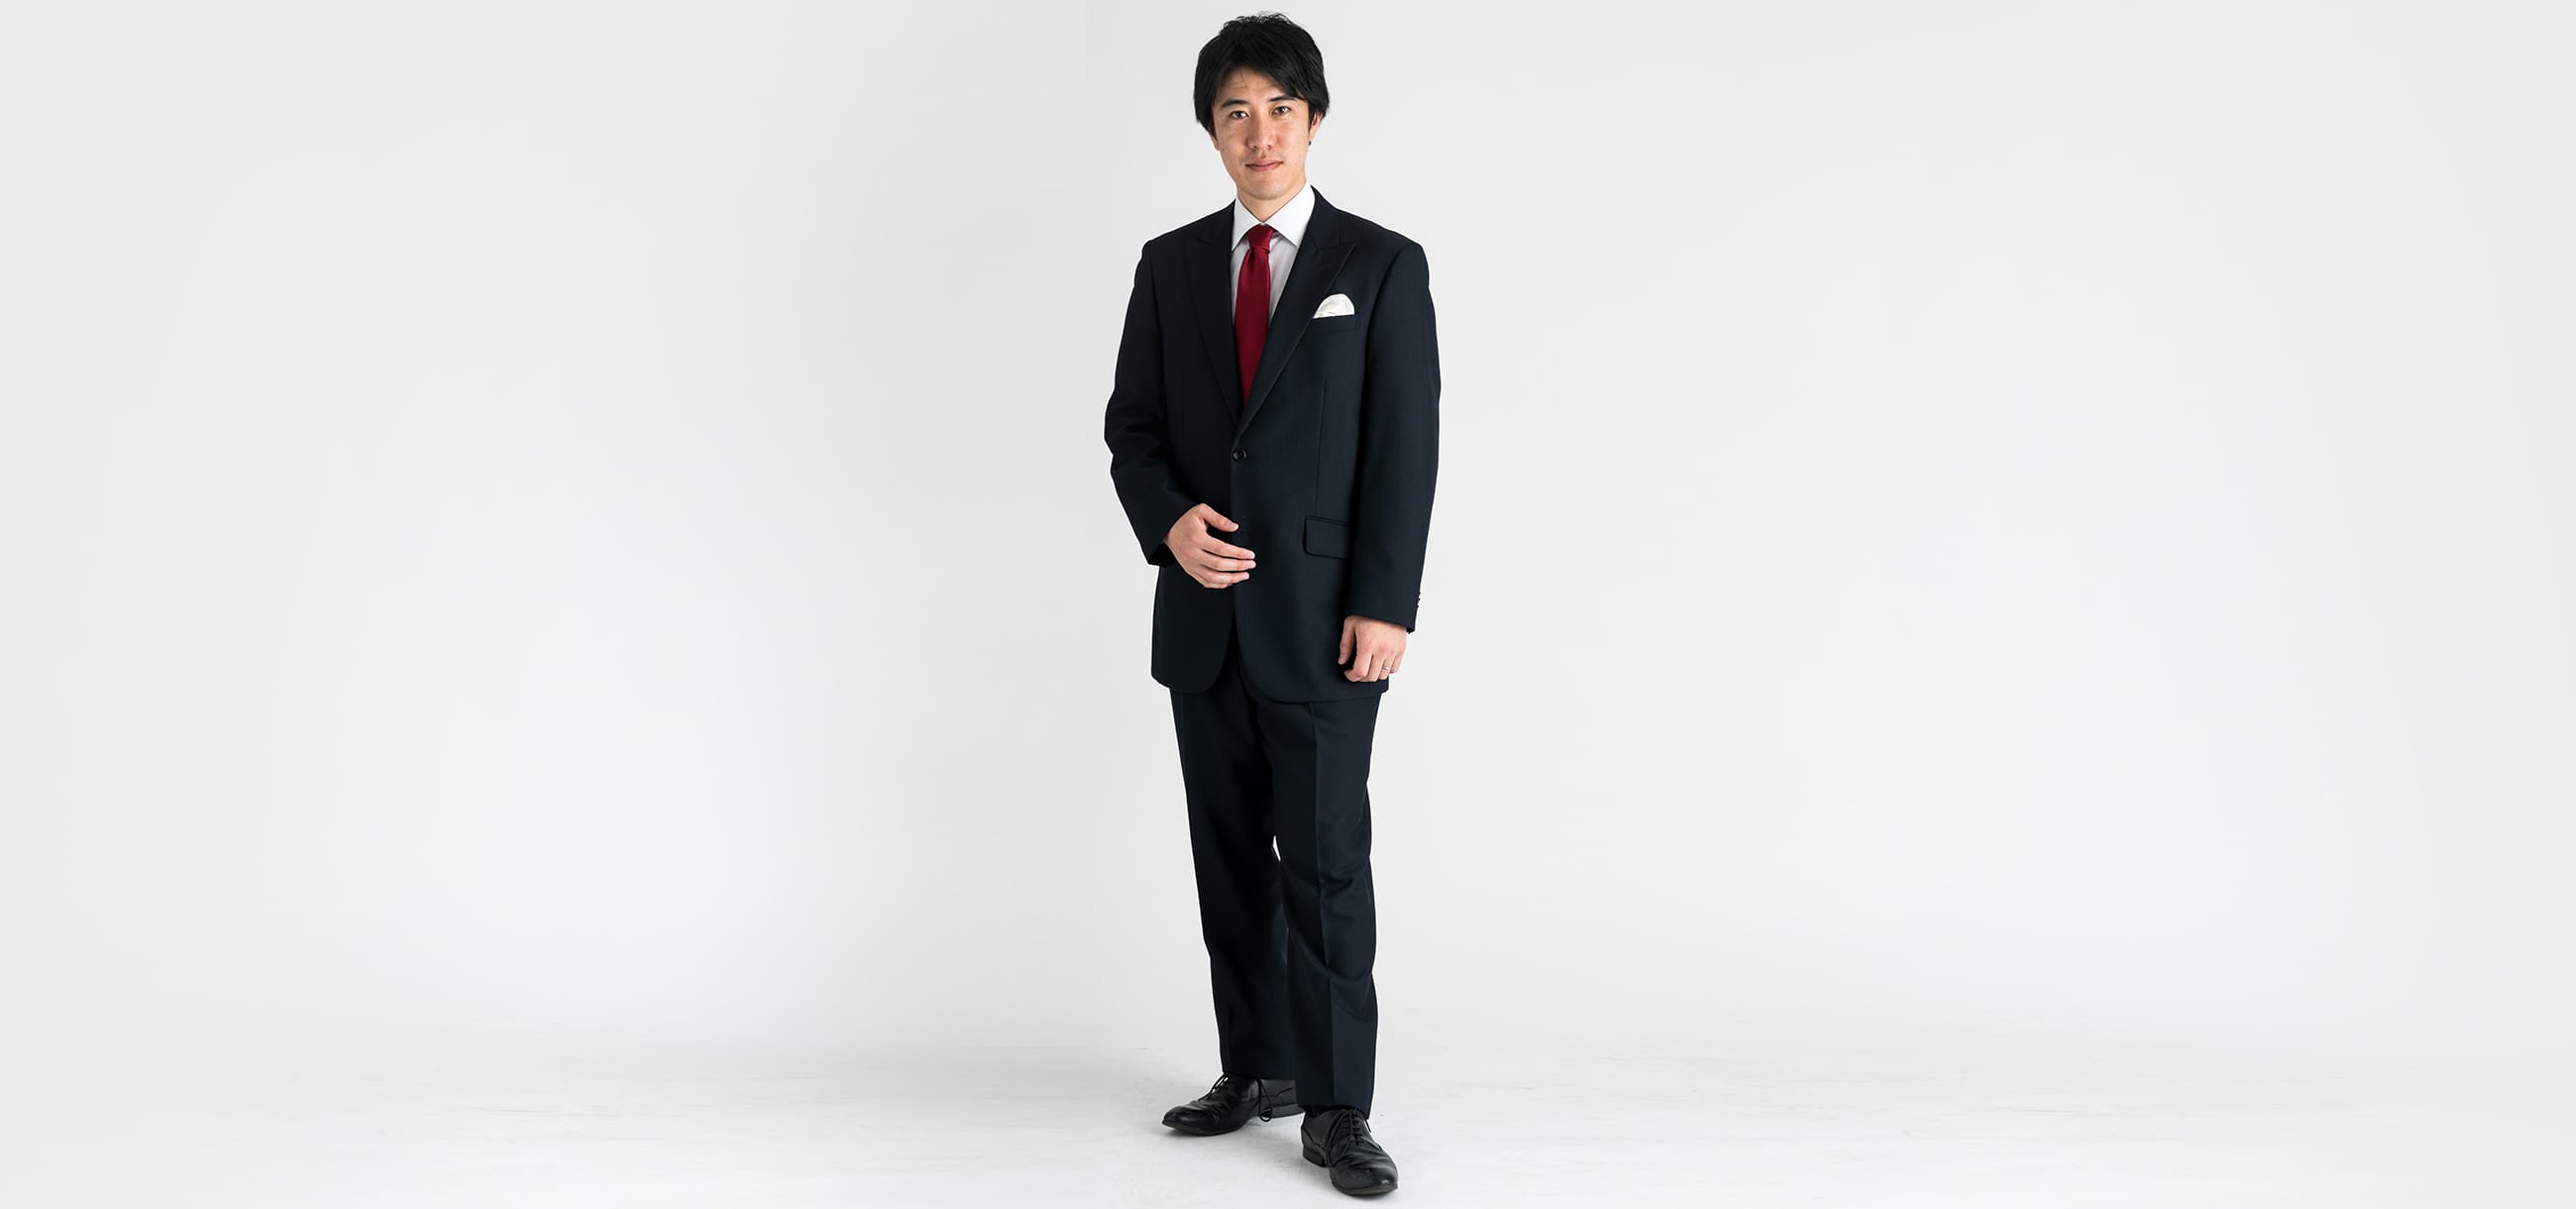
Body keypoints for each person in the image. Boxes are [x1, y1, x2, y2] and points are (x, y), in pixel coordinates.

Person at [1101, 11, 1439, 1199]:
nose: (1259, 133)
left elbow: (1403, 448)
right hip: (1203, 621)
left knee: (1325, 865)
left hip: (1327, 623)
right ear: (1210, 130)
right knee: (1229, 857)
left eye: (1279, 110)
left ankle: (1338, 1105)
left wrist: (1385, 602)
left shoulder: (1378, 266)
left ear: (1313, 119)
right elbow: (1132, 428)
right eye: (1235, 112)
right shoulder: (1169, 264)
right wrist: (1167, 521)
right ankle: (1256, 1065)